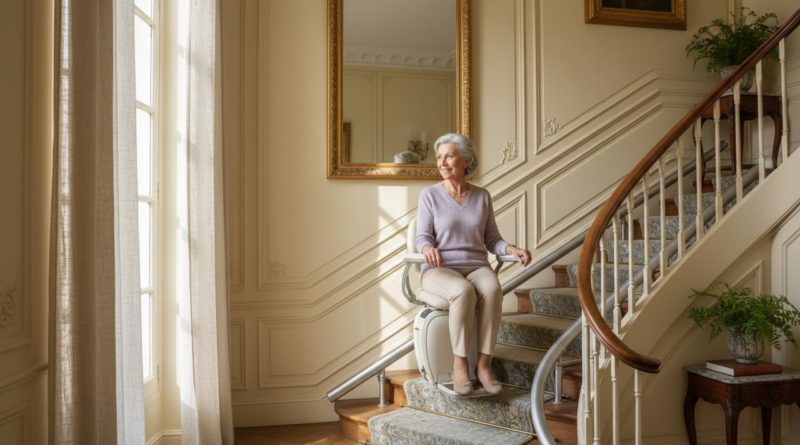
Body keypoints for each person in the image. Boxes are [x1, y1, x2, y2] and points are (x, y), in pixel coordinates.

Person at [416, 133, 532, 396]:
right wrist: (426, 248)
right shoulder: (430, 196)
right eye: (439, 157)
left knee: (492, 289)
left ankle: (483, 364)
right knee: (462, 290)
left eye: (449, 155)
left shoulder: (482, 196)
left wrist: (512, 249)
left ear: (465, 160)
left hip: (476, 265)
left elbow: (492, 239)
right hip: (439, 270)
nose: (442, 162)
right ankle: (460, 363)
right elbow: (422, 236)